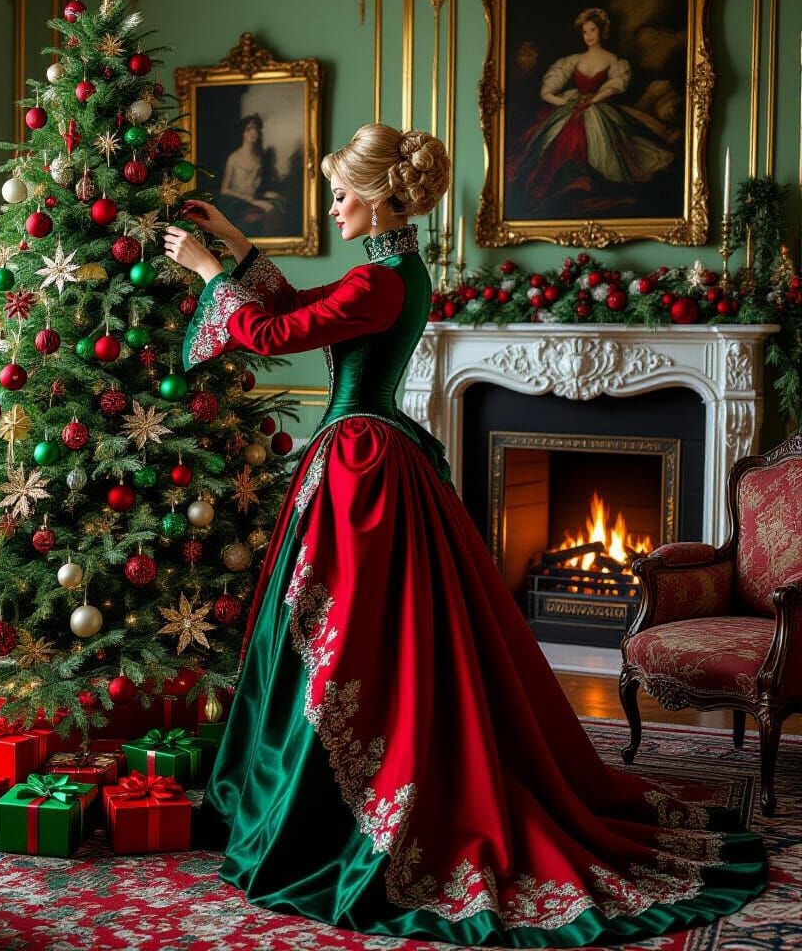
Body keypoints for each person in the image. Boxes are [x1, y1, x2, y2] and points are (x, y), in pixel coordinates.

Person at [162, 123, 765, 947]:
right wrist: (234, 250)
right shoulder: (387, 270)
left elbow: (275, 336)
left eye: (341, 194)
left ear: (376, 197)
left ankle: (348, 807)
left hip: (362, 468)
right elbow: (305, 309)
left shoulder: (382, 278)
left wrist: (205, 274)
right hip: (364, 458)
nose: (333, 206)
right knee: (354, 639)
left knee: (356, 643)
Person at [507, 7, 675, 216]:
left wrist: (594, 98)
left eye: (592, 30)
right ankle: (567, 187)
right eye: (585, 31)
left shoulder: (613, 60)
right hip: (571, 109)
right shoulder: (573, 60)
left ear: (602, 31)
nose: (588, 36)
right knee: (557, 143)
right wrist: (562, 100)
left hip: (597, 110)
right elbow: (547, 92)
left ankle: (593, 187)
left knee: (602, 146)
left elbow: (615, 85)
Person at [215, 113, 284, 235]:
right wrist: (251, 200)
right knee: (261, 215)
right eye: (249, 129)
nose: (254, 132)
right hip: (236, 200)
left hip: (254, 198)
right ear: (243, 132)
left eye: (256, 129)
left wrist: (266, 194)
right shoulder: (234, 158)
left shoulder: (259, 158)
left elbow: (256, 186)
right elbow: (224, 190)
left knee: (279, 206)